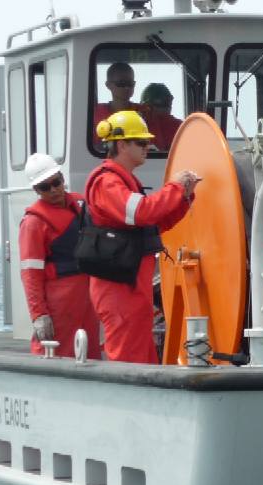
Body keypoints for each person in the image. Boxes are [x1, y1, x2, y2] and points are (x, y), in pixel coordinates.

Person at [86, 110, 200, 363]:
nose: (149, 146)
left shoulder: (123, 182)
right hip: (119, 290)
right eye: (141, 142)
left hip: (131, 287)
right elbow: (143, 213)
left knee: (142, 357)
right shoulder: (107, 184)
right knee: (128, 359)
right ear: (121, 144)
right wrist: (176, 188)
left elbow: (154, 224)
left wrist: (183, 197)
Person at [17, 153, 101, 360]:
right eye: (45, 187)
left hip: (89, 295)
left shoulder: (81, 205)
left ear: (62, 178)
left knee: (90, 353)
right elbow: (31, 274)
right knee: (54, 353)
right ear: (36, 190)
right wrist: (39, 315)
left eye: (56, 182)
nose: (53, 189)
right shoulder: (33, 223)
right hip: (60, 299)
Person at [140, 83, 182, 151]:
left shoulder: (179, 127)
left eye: (167, 104)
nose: (167, 109)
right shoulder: (137, 128)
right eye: (161, 105)